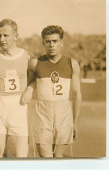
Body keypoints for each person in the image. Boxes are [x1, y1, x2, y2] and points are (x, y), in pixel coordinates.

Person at [26, 25, 82, 157]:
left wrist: (75, 122)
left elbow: (76, 94)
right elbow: (31, 82)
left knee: (58, 158)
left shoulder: (72, 63)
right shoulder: (35, 63)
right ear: (43, 43)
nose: (51, 45)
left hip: (63, 112)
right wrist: (29, 88)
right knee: (46, 158)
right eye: (48, 41)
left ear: (61, 43)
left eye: (55, 41)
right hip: (43, 111)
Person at [0, 19, 31, 158]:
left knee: (20, 156)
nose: (2, 39)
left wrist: (30, 89)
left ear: (15, 36)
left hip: (19, 106)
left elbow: (37, 77)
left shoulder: (26, 56)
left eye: (6, 35)